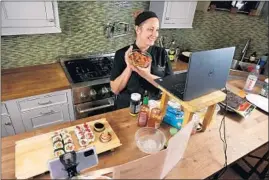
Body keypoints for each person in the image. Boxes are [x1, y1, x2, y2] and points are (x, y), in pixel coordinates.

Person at [110, 10, 173, 109]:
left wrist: (147, 75)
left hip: (152, 108)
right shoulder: (122, 54)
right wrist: (129, 67)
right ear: (138, 29)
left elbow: (170, 87)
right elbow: (115, 89)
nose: (155, 34)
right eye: (150, 29)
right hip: (126, 109)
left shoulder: (161, 53)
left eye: (157, 30)